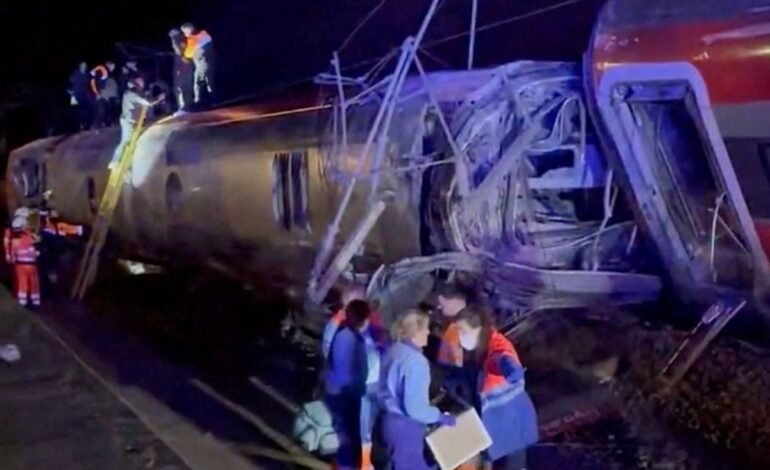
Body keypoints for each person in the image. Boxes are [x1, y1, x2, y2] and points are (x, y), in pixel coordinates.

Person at [453, 307, 538, 470]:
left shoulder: (497, 347)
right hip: (496, 422)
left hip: (512, 422)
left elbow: (505, 363)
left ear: (477, 329)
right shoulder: (480, 349)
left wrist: (511, 371)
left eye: (462, 331)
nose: (460, 336)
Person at [375, 309, 456, 470]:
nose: (428, 332)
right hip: (406, 428)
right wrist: (439, 417)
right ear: (415, 332)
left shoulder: (394, 349)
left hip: (386, 421)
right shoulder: (417, 362)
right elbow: (415, 409)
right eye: (425, 328)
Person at [325, 299, 374, 470]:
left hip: (342, 394)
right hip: (343, 396)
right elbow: (345, 372)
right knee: (346, 437)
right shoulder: (349, 339)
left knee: (346, 437)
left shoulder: (349, 336)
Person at [109, 77, 165, 172]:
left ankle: (128, 163)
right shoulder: (131, 94)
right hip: (128, 122)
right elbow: (147, 102)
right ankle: (114, 161)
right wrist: (158, 99)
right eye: (140, 84)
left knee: (132, 142)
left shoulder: (132, 94)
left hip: (132, 121)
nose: (141, 86)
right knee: (125, 141)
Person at [436, 282, 470, 367]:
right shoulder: (462, 325)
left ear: (453, 302)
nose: (438, 307)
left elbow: (456, 363)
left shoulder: (456, 329)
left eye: (442, 304)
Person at [9, 217, 40, 307]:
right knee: (34, 282)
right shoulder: (30, 237)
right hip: (31, 264)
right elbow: (35, 247)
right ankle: (35, 301)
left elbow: (13, 256)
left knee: (22, 283)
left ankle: (22, 301)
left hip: (19, 265)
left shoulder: (14, 241)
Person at [181, 22, 215, 105]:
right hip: (211, 62)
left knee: (198, 83)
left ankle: (199, 102)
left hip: (201, 65)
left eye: (185, 32)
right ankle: (214, 99)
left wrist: (183, 49)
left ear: (189, 30)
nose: (185, 34)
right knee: (210, 81)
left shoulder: (192, 39)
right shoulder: (204, 34)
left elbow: (188, 54)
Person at [169, 28, 195, 112]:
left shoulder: (178, 40)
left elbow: (180, 52)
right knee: (186, 88)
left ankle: (184, 108)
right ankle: (188, 107)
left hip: (182, 70)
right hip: (186, 69)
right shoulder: (184, 40)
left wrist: (174, 41)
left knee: (181, 88)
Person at [69, 62, 94, 130]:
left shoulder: (87, 74)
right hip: (77, 94)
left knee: (88, 108)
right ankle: (80, 125)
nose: (84, 67)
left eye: (85, 65)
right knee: (78, 110)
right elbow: (70, 81)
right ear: (80, 66)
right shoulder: (76, 74)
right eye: (83, 65)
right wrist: (70, 91)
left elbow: (90, 83)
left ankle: (86, 124)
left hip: (85, 94)